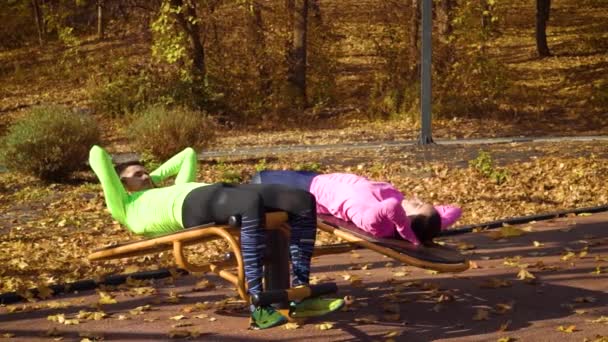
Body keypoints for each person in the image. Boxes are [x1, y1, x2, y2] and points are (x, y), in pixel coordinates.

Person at [89, 146, 342, 329]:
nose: (145, 176)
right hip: (189, 208)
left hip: (216, 191)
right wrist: (134, 181)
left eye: (146, 172)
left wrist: (151, 179)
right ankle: (259, 308)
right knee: (250, 202)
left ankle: (302, 295)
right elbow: (96, 153)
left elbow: (187, 153)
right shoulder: (124, 205)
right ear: (120, 184)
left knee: (301, 200)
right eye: (137, 175)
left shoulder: (170, 187)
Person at [251, 170, 462, 246]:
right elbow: (454, 210)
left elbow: (391, 206)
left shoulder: (374, 221)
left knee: (259, 178)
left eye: (416, 204)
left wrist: (407, 233)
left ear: (405, 220)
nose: (415, 197)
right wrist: (437, 220)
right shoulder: (399, 217)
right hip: (316, 179)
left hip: (298, 189)